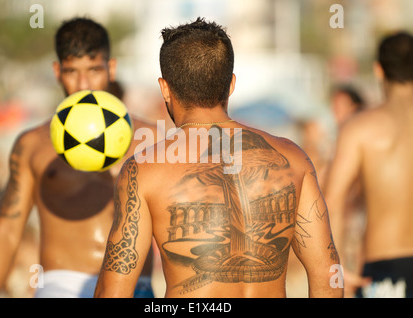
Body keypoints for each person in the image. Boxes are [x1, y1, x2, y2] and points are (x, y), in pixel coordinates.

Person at [94, 17, 343, 298]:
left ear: (165, 88)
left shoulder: (144, 170)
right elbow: (328, 273)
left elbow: (113, 292)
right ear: (231, 83)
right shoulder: (294, 158)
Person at [0, 17, 157, 298]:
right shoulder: (33, 143)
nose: (84, 83)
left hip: (135, 287)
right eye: (72, 71)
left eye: (94, 69)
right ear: (57, 71)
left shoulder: (154, 140)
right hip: (61, 286)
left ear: (111, 68)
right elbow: (9, 228)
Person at [325, 31, 413, 298]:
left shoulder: (361, 128)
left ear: (378, 70)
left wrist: (336, 266)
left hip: (385, 270)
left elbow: (332, 200)